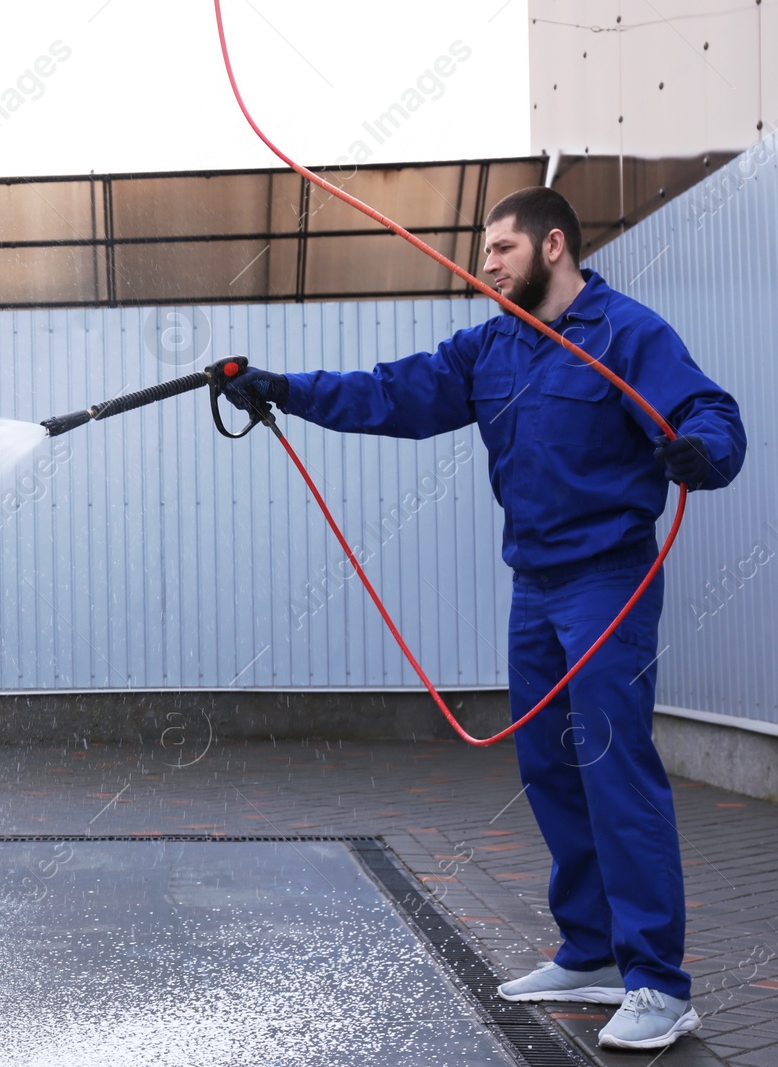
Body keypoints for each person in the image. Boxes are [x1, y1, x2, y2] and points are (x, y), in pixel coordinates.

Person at [227, 186, 745, 1053]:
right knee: (549, 764)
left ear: (552, 247)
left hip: (608, 577)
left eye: (500, 249)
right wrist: (282, 388)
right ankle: (590, 952)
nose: (486, 265)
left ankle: (659, 980)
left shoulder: (627, 334)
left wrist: (706, 454)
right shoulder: (493, 347)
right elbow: (391, 394)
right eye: (482, 251)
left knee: (616, 769)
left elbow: (709, 412)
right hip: (535, 583)